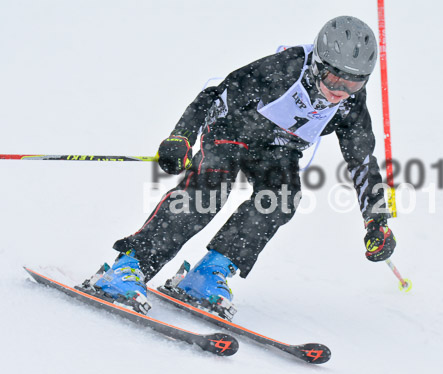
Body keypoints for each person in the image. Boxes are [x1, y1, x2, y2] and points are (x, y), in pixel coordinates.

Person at [86, 16, 396, 318]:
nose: (340, 90)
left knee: (282, 198)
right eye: (333, 79)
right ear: (317, 64)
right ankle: (129, 266)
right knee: (209, 193)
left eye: (354, 82)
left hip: (278, 148)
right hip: (232, 130)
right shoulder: (283, 70)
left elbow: (363, 161)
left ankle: (208, 273)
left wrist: (376, 221)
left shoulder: (351, 103)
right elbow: (212, 96)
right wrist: (181, 137)